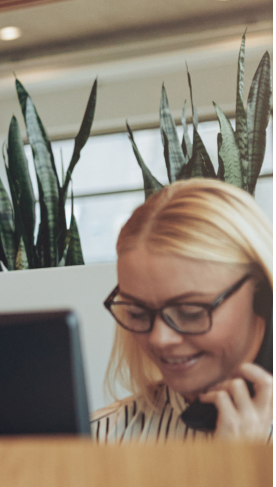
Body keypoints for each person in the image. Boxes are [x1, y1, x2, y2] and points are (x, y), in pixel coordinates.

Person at [92, 179, 272, 441]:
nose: (159, 339)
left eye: (190, 312)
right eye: (137, 313)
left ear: (263, 296)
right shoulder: (99, 439)